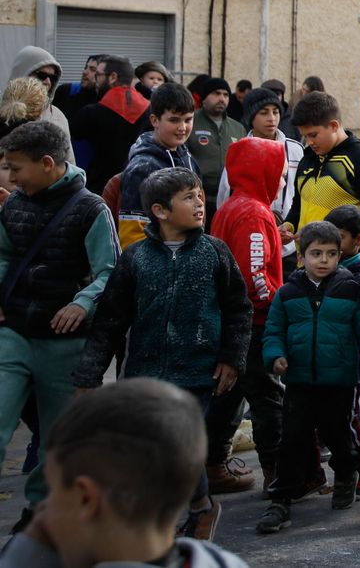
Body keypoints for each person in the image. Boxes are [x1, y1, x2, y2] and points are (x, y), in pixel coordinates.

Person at [71, 167, 251, 541]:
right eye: (189, 198)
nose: (200, 203)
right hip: (144, 373)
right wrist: (89, 375)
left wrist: (232, 358)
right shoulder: (135, 258)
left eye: (200, 195)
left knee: (178, 444)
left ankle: (200, 508)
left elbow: (238, 309)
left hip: (198, 373)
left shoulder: (214, 252)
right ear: (160, 210)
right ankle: (180, 512)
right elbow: (110, 320)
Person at [0, 378, 250, 568]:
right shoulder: (222, 561)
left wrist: (27, 545)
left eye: (53, 492)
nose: (43, 509)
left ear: (86, 499)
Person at [0, 121, 119, 519]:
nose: (10, 176)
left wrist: (82, 304)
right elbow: (2, 257)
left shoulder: (91, 208)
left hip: (64, 344)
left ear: (47, 163)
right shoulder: (13, 206)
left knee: (59, 438)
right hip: (13, 332)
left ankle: (41, 515)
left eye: (15, 167)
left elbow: (109, 272)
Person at [256, 220, 360, 534]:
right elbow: (273, 332)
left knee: (340, 436)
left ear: (340, 256)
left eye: (331, 253)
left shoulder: (349, 289)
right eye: (316, 253)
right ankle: (281, 498)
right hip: (299, 381)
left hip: (339, 382)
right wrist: (275, 357)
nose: (323, 260)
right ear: (301, 256)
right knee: (292, 440)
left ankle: (345, 476)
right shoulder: (287, 293)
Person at [205, 136, 288, 496]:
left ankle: (212, 465)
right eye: (280, 173)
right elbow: (254, 275)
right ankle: (276, 472)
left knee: (228, 396)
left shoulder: (233, 205)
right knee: (268, 398)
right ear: (262, 172)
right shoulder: (254, 212)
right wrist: (275, 307)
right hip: (253, 324)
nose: (282, 181)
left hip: (229, 323)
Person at [326, 203, 360, 496]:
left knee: (347, 419)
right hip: (317, 362)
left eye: (339, 238)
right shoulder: (322, 267)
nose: (330, 246)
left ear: (358, 240)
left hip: (347, 360)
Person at [117, 81, 198, 252]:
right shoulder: (142, 169)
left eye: (188, 120)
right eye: (174, 120)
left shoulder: (188, 157)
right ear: (155, 120)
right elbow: (132, 237)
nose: (182, 128)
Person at [287, 90, 360, 230]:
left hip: (348, 252)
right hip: (306, 251)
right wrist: (288, 225)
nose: (309, 142)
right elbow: (297, 206)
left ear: (334, 126)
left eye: (313, 135)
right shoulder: (307, 159)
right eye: (305, 136)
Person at [217, 85, 305, 221]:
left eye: (276, 112)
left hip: (290, 231)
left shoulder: (295, 149)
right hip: (251, 226)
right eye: (264, 113)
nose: (271, 118)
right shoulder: (240, 151)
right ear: (250, 118)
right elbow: (225, 194)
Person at [71, 55, 148, 194]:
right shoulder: (150, 110)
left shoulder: (92, 113)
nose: (96, 81)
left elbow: (75, 133)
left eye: (98, 75)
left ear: (113, 77)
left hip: (100, 188)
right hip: (138, 186)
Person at [186, 77, 246, 212]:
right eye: (216, 93)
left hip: (228, 198)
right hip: (197, 197)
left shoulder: (238, 128)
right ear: (204, 98)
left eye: (225, 95)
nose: (221, 98)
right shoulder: (190, 123)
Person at [7, 47, 73, 161]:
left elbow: (70, 165)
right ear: (22, 73)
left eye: (53, 78)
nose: (47, 82)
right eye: (41, 75)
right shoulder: (4, 111)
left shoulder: (57, 116)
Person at [50, 54, 101, 124]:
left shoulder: (106, 102)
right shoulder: (66, 90)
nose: (84, 72)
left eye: (92, 69)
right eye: (85, 67)